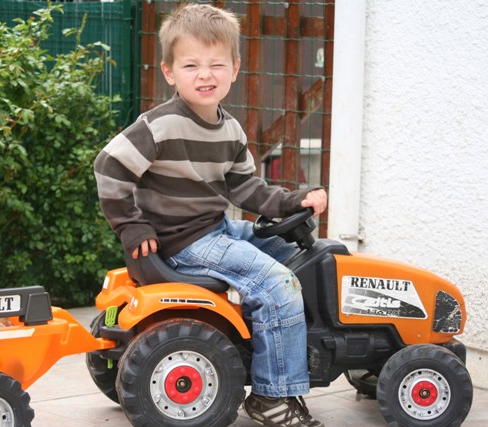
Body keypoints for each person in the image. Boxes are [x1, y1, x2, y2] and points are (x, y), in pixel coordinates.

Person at [94, 4, 326, 427]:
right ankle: (273, 394)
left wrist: (294, 201)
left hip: (217, 231)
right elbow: (109, 167)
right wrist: (131, 224)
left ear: (235, 68)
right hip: (184, 244)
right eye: (191, 65)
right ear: (169, 72)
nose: (205, 74)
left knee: (309, 255)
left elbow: (246, 189)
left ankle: (285, 343)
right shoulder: (158, 126)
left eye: (216, 64)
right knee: (278, 282)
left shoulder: (230, 129)